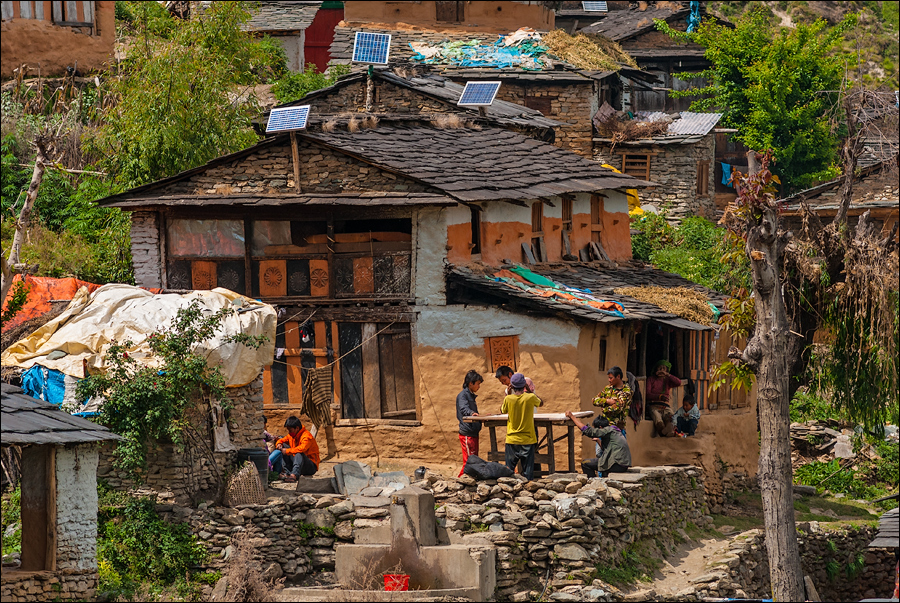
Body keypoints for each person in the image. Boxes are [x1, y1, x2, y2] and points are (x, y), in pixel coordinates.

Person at [501, 372, 543, 480]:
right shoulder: (530, 397)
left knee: (509, 471)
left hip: (512, 439)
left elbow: (502, 410)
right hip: (528, 439)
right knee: (528, 472)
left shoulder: (508, 399)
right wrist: (529, 390)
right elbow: (541, 403)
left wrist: (508, 393)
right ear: (524, 385)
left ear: (512, 386)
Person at [567, 411, 631, 477]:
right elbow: (606, 449)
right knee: (603, 465)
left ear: (600, 427)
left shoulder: (607, 430)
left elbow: (588, 431)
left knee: (585, 463)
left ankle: (593, 482)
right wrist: (598, 440)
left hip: (616, 464)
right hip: (622, 465)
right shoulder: (614, 431)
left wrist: (572, 417)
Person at [269, 416, 320, 483]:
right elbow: (282, 440)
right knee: (283, 447)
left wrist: (287, 451)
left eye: (290, 430)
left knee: (298, 453)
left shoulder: (306, 436)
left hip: (310, 467)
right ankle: (287, 473)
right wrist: (279, 443)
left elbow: (302, 449)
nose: (289, 432)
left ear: (297, 428)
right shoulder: (292, 435)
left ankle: (294, 475)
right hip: (297, 462)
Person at [457, 370, 484, 477]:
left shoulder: (470, 395)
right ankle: (461, 480)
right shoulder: (463, 395)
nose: (479, 386)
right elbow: (464, 409)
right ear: (470, 383)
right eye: (477, 384)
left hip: (473, 432)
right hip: (467, 433)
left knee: (474, 460)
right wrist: (472, 413)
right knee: (469, 462)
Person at [646, 360, 682, 437]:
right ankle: (662, 432)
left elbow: (678, 382)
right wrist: (659, 397)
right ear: (656, 369)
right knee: (657, 418)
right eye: (659, 368)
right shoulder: (651, 379)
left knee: (671, 417)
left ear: (666, 370)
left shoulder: (667, 380)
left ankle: (669, 430)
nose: (661, 370)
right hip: (653, 405)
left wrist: (668, 375)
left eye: (663, 368)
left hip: (665, 406)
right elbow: (647, 394)